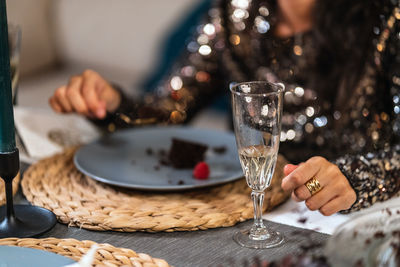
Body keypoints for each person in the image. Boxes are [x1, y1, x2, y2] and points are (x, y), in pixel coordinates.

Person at [49, 0, 400, 215]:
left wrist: (356, 178)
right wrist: (113, 102)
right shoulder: (231, 14)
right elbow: (168, 112)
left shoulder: (388, 18)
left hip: (357, 215)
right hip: (249, 208)